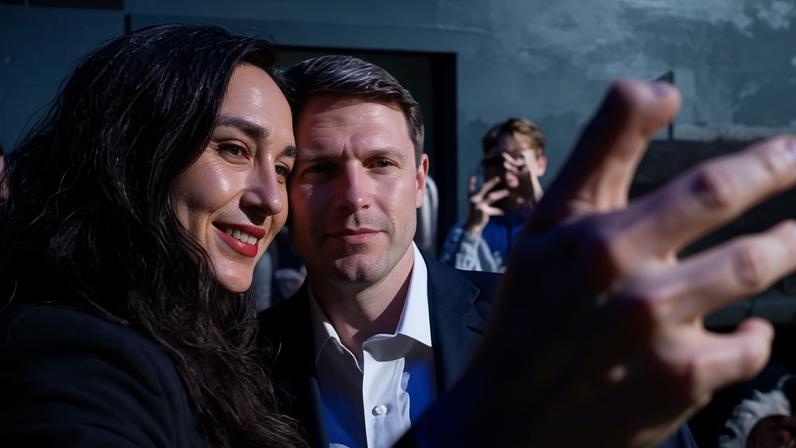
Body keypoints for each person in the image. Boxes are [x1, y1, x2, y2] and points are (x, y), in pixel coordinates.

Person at [259, 55, 695, 448]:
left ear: (419, 180)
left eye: (381, 163)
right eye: (320, 169)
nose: (354, 197)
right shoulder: (242, 361)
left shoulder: (544, 325)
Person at [0, 24, 305, 447]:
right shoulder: (80, 354)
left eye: (283, 169)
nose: (272, 199)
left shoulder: (208, 344)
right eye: (235, 149)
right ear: (135, 154)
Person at [440, 117, 546, 272]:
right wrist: (472, 232)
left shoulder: (557, 224)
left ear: (541, 164)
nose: (506, 167)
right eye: (497, 160)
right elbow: (450, 283)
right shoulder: (463, 231)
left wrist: (542, 207)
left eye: (518, 157)